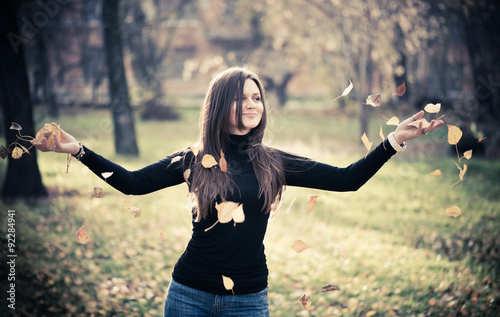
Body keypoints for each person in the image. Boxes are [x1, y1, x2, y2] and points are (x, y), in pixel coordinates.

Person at [33, 66, 444, 316]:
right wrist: (79, 150)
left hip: (248, 299)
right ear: (219, 104)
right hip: (188, 294)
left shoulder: (272, 161)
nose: (252, 104)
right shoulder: (194, 159)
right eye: (242, 97)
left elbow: (346, 179)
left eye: (257, 98)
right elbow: (132, 183)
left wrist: (393, 142)